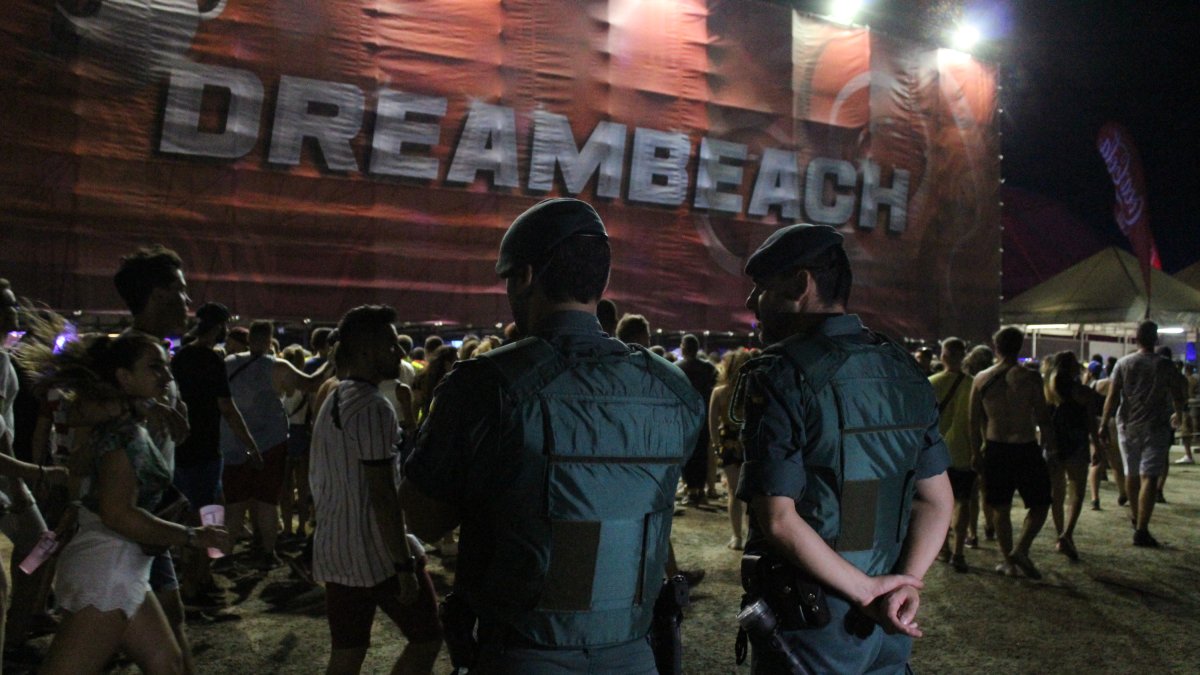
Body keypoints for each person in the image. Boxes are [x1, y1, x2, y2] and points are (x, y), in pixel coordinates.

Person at [399, 198, 704, 673]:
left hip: (522, 651)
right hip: (634, 650)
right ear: (600, 280)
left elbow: (421, 516)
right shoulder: (672, 389)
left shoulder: (486, 384)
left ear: (524, 276)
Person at [735, 223, 952, 674]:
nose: (752, 302)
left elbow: (778, 519)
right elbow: (936, 501)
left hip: (814, 618)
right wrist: (904, 585)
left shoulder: (781, 373)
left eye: (761, 288)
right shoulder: (903, 368)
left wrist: (866, 591)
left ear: (800, 285)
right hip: (887, 620)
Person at [22, 332, 229, 674]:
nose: (166, 375)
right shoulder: (122, 433)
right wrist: (192, 536)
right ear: (124, 377)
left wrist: (147, 406)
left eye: (165, 366)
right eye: (154, 367)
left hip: (121, 562)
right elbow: (117, 514)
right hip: (109, 566)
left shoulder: (118, 423)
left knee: (168, 664)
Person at [309, 305, 442, 675]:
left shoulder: (334, 396)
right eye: (391, 345)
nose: (400, 353)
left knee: (348, 651)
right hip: (375, 553)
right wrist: (403, 566)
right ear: (367, 351)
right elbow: (383, 495)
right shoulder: (373, 407)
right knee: (428, 638)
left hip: (336, 550)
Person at [113, 245, 200, 672]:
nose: (189, 301)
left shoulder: (156, 354)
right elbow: (87, 411)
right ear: (159, 295)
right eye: (182, 291)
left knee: (172, 624)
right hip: (122, 522)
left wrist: (173, 410)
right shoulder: (124, 356)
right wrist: (150, 408)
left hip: (147, 515)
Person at [170, 301, 257, 607]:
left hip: (179, 446)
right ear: (219, 327)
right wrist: (249, 444)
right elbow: (227, 408)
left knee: (190, 515)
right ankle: (194, 585)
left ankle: (199, 578)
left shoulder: (180, 357)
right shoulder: (211, 359)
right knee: (209, 517)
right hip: (205, 447)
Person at [220, 320, 327, 568]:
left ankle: (224, 556)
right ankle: (268, 553)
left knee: (235, 504)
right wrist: (330, 362)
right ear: (269, 341)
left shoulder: (228, 363)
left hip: (234, 441)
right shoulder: (278, 366)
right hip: (271, 443)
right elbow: (311, 383)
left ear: (249, 339)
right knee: (267, 501)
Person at [968, 326, 1055, 579]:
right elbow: (1043, 418)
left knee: (1000, 507)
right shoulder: (1030, 378)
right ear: (1019, 347)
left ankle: (1010, 560)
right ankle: (1021, 549)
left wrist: (976, 452)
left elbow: (973, 420)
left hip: (995, 446)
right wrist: (1049, 448)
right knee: (1040, 503)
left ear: (996, 347)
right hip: (1025, 446)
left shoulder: (981, 378)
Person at [1099, 321, 1188, 547]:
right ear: (1155, 339)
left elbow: (1112, 396)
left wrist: (1104, 423)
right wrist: (1179, 413)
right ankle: (1142, 528)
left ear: (1135, 339)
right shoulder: (1165, 364)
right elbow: (1178, 392)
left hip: (1128, 425)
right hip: (1156, 425)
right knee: (1149, 476)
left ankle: (1135, 516)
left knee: (1131, 473)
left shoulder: (1123, 363)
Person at [1044, 351, 1099, 561]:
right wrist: (1097, 445)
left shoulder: (1047, 390)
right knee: (1076, 491)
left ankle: (1060, 534)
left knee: (1056, 494)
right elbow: (1090, 421)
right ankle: (1067, 534)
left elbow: (1042, 419)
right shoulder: (1082, 392)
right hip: (1076, 442)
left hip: (1053, 444)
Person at [929, 337, 974, 573]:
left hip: (937, 454)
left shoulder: (931, 383)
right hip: (964, 452)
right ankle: (959, 553)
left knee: (941, 503)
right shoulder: (973, 384)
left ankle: (943, 548)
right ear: (963, 356)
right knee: (963, 503)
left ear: (943, 356)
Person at [709, 347, 752, 550]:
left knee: (734, 492)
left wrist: (717, 446)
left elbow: (712, 424)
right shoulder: (754, 392)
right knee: (750, 495)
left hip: (728, 443)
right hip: (750, 444)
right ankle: (750, 536)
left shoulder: (719, 392)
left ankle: (737, 537)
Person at [677, 334, 716, 507]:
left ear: (684, 348)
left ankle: (690, 489)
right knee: (702, 454)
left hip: (684, 417)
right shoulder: (709, 368)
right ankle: (700, 489)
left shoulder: (677, 368)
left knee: (687, 454)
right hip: (704, 416)